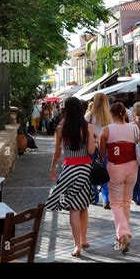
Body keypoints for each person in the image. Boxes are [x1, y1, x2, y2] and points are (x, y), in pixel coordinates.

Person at [46, 97, 96, 258]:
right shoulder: (87, 127)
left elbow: (57, 152)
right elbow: (91, 152)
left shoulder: (60, 128)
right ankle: (84, 239)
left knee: (73, 209)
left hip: (69, 170)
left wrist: (52, 168)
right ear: (81, 109)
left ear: (65, 109)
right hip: (85, 170)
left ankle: (76, 246)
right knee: (83, 206)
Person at [99, 103, 140, 254]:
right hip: (132, 167)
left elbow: (102, 153)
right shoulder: (134, 128)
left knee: (116, 204)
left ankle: (124, 234)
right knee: (126, 203)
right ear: (124, 113)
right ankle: (123, 237)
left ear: (111, 114)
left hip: (115, 167)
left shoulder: (106, 130)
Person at [85, 93, 111, 209]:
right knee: (105, 173)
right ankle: (106, 199)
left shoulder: (88, 116)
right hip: (106, 148)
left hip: (92, 148)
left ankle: (94, 198)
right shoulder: (109, 117)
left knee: (92, 173)